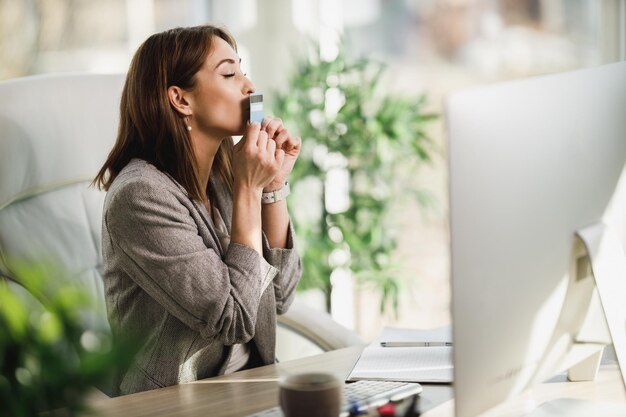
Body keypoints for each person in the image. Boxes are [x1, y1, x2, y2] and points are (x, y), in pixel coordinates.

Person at [93, 24, 302, 396]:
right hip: (178, 401)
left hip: (252, 386)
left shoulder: (225, 173)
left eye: (243, 70)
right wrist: (249, 189)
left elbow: (280, 294)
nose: (250, 87)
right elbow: (233, 318)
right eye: (229, 73)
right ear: (181, 100)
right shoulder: (140, 197)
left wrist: (271, 188)